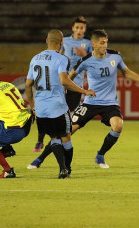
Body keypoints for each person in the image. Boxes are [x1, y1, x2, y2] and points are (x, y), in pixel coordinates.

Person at [30, 29, 139, 169]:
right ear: (93, 44)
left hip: (110, 103)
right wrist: (64, 89)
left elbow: (127, 73)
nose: (105, 46)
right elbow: (70, 76)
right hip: (90, 103)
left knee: (118, 125)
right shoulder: (85, 60)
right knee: (66, 132)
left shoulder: (115, 56)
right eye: (102, 43)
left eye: (106, 42)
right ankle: (40, 159)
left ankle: (100, 155)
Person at [25, 29, 95, 178]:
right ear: (62, 42)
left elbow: (28, 85)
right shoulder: (62, 58)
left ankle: (62, 168)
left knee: (54, 137)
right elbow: (64, 81)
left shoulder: (35, 58)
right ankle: (66, 169)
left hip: (41, 106)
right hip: (57, 106)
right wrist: (84, 91)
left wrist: (33, 106)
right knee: (66, 137)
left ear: (46, 41)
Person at [33, 16, 93, 152]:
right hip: (60, 83)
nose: (79, 30)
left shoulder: (88, 44)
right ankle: (40, 139)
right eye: (77, 27)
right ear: (72, 28)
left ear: (85, 29)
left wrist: (85, 55)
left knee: (67, 112)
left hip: (75, 85)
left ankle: (60, 139)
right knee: (49, 110)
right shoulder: (64, 41)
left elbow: (93, 63)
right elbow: (55, 56)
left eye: (82, 28)